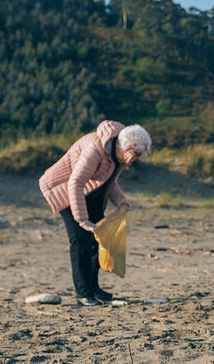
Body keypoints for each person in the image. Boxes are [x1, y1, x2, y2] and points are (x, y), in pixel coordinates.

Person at [39, 121, 152, 306]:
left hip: (90, 191)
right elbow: (75, 183)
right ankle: (83, 293)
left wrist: (120, 200)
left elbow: (109, 182)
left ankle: (94, 287)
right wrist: (82, 219)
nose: (134, 161)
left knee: (98, 238)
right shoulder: (95, 148)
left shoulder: (120, 156)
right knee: (80, 239)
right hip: (64, 189)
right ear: (127, 147)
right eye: (136, 155)